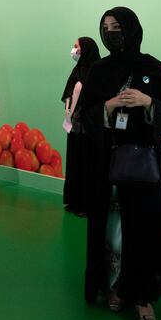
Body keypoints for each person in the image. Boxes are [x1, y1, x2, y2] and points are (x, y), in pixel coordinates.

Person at [79, 7, 161, 320]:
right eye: (105, 28)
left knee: (144, 229)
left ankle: (143, 294)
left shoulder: (152, 68)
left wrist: (148, 103)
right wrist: (108, 106)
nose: (111, 34)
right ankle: (115, 287)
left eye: (117, 27)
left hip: (143, 166)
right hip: (107, 164)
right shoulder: (99, 70)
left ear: (132, 29)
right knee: (111, 232)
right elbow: (85, 116)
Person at [61, 37, 101, 216]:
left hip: (90, 130)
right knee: (74, 163)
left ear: (86, 49)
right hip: (74, 128)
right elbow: (69, 94)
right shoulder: (77, 71)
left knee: (87, 165)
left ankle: (86, 204)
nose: (73, 50)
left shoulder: (97, 71)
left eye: (76, 47)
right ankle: (73, 200)